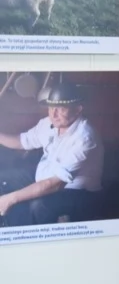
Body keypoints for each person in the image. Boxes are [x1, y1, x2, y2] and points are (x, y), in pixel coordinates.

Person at [0, 83, 104, 226]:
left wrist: (10, 198)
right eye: (51, 107)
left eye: (61, 108)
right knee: (3, 178)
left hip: (76, 192)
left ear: (78, 110)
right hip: (44, 178)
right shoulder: (48, 123)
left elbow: (55, 184)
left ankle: (34, 240)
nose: (53, 114)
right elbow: (22, 141)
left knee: (39, 206)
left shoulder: (85, 138)